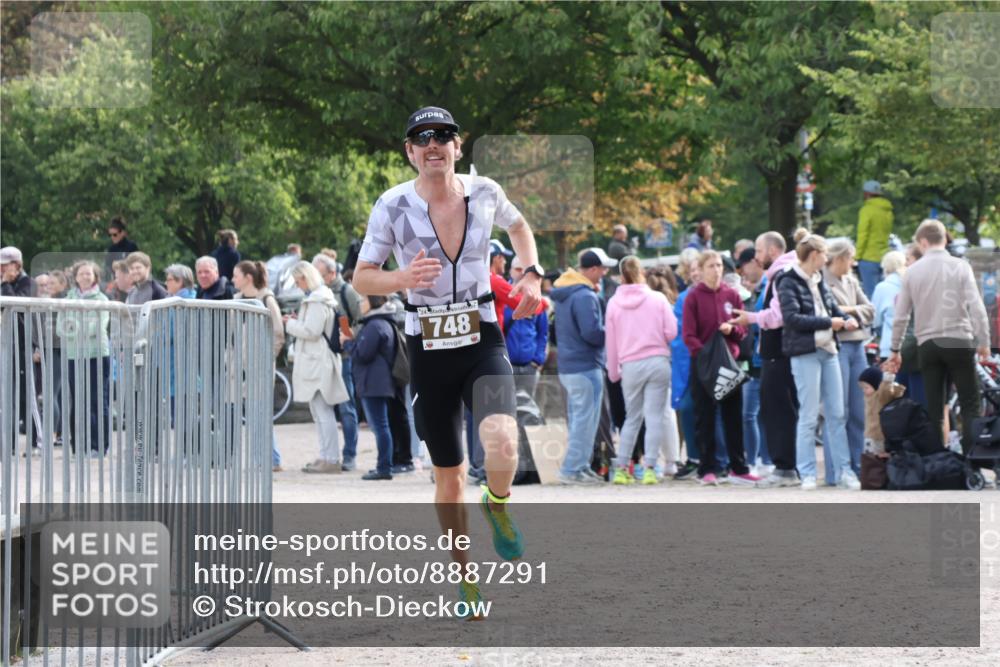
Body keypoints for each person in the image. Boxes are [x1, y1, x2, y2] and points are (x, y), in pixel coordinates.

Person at [351, 106, 542, 611]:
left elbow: (520, 228)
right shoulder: (391, 206)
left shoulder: (486, 192)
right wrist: (400, 280)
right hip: (428, 345)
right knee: (449, 474)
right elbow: (362, 276)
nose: (433, 144)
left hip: (483, 336)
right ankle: (465, 579)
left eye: (444, 136)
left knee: (503, 438)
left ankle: (497, 504)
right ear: (410, 151)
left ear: (459, 146)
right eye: (422, 137)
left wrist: (531, 272)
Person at [886, 219, 991, 453]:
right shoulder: (961, 266)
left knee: (934, 405)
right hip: (959, 341)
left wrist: (895, 350)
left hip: (928, 343)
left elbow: (901, 316)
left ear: (923, 242)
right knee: (970, 401)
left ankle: (936, 458)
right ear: (944, 239)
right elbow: (977, 307)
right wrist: (984, 342)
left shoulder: (912, 272)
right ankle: (973, 457)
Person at [777, 230, 861, 490]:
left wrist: (845, 319)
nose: (827, 258)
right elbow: (792, 319)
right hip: (805, 352)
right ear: (814, 255)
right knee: (809, 414)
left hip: (829, 350)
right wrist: (830, 322)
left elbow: (830, 306)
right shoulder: (788, 280)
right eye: (824, 253)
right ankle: (808, 472)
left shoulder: (817, 279)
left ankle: (844, 470)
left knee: (837, 413)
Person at [682, 250, 759, 486]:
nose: (716, 270)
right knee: (704, 416)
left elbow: (743, 331)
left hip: (728, 362)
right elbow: (688, 335)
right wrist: (704, 355)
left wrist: (732, 330)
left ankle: (738, 467)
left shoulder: (732, 295)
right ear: (701, 269)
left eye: (718, 266)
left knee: (732, 416)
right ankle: (707, 468)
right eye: (711, 266)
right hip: (703, 364)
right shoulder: (693, 297)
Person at [730, 231, 800, 487]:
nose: (756, 258)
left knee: (780, 411)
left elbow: (777, 316)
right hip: (779, 353)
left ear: (772, 251)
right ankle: (787, 466)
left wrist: (752, 318)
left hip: (779, 354)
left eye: (758, 252)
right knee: (780, 410)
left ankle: (785, 468)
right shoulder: (785, 274)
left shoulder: (782, 276)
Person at [605, 256, 678, 485]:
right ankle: (649, 468)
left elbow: (612, 342)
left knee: (631, 418)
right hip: (657, 360)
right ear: (642, 273)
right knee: (655, 417)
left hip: (630, 365)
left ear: (620, 275)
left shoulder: (613, 303)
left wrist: (613, 371)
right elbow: (672, 332)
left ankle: (622, 467)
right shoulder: (658, 299)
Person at [551, 248, 615, 484]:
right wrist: (613, 330)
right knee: (585, 421)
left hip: (569, 365)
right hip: (586, 365)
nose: (605, 273)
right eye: (603, 268)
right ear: (593, 269)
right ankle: (573, 469)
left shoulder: (566, 293)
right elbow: (592, 334)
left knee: (579, 418)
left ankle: (580, 466)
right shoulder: (585, 296)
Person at [283, 261, 349, 474]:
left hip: (317, 361)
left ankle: (330, 458)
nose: (297, 284)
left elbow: (311, 331)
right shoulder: (319, 298)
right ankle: (325, 456)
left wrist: (289, 325)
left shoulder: (318, 300)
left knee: (323, 410)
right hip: (316, 359)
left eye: (298, 280)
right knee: (319, 411)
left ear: (305, 277)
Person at [823, 238, 874, 476]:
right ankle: (836, 470)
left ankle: (856, 465)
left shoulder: (851, 281)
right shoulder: (822, 280)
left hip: (858, 346)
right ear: (841, 258)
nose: (853, 264)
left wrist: (849, 310)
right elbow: (829, 311)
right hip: (838, 346)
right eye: (851, 258)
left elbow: (870, 310)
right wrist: (852, 310)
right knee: (837, 411)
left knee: (858, 412)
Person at [233, 260, 285, 470]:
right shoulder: (235, 300)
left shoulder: (267, 299)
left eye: (236, 275)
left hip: (260, 365)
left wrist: (266, 358)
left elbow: (278, 334)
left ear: (248, 277)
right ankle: (264, 459)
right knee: (252, 414)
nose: (233, 279)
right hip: (240, 366)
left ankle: (271, 459)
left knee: (259, 413)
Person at [313, 252, 361, 471]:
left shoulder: (346, 291)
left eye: (320, 274)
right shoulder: (316, 293)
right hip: (324, 358)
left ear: (332, 273)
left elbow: (362, 319)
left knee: (346, 406)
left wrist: (349, 334)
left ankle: (349, 455)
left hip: (344, 357)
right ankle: (329, 455)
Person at [58, 260, 111, 454]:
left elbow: (98, 326)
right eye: (81, 274)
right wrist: (75, 330)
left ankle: (99, 445)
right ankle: (79, 446)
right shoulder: (67, 299)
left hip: (97, 354)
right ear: (75, 277)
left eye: (89, 274)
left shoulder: (103, 299)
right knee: (78, 400)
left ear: (95, 276)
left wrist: (75, 328)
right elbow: (60, 327)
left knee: (97, 400)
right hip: (74, 355)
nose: (85, 277)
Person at [350, 294, 400, 480]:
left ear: (373, 301)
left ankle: (384, 467)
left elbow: (363, 354)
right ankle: (384, 465)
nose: (360, 303)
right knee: (382, 425)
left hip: (374, 382)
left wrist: (347, 342)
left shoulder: (374, 325)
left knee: (380, 426)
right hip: (379, 382)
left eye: (363, 300)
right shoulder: (382, 322)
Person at [735, 246, 771, 475]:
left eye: (743, 266)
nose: (742, 272)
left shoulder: (766, 288)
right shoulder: (757, 290)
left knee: (757, 413)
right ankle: (757, 460)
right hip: (755, 360)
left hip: (762, 359)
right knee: (751, 414)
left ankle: (766, 461)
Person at [670, 251, 703, 479]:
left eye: (698, 269)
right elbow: (678, 334)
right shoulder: (684, 299)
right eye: (691, 272)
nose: (695, 275)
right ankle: (694, 457)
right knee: (689, 409)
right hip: (691, 361)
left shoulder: (724, 295)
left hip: (713, 360)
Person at [2, 246, 38, 436]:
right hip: (7, 345)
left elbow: (16, 306)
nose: (1, 270)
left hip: (24, 346)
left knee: (26, 393)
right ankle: (9, 441)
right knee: (7, 394)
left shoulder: (29, 283)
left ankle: (34, 437)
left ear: (16, 265)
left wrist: (6, 284)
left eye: (4, 266)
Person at [504, 256, 549, 400]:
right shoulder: (501, 294)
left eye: (525, 270)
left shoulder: (536, 298)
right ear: (510, 271)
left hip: (529, 366)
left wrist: (537, 360)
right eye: (518, 269)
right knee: (503, 411)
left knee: (525, 412)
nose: (523, 273)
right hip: (504, 366)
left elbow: (543, 332)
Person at [856, 180, 894, 298]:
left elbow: (863, 234)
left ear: (866, 193)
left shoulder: (866, 210)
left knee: (871, 295)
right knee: (885, 293)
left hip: (868, 257)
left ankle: (874, 317)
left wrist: (857, 256)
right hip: (884, 257)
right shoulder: (888, 211)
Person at [858, 365, 905, 457]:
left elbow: (885, 390)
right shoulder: (868, 397)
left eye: (866, 387)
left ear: (876, 386)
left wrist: (887, 379)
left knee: (877, 461)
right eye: (862, 388)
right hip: (870, 436)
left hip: (879, 436)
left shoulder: (880, 397)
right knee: (870, 460)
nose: (864, 390)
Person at [871, 251, 906, 361]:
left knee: (892, 378)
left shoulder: (882, 288)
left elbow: (875, 320)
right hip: (914, 345)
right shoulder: (912, 283)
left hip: (890, 346)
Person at [104, 216, 138, 284]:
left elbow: (136, 264)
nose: (112, 237)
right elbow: (107, 267)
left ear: (122, 233)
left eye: (115, 235)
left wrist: (120, 264)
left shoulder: (131, 246)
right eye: (110, 235)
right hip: (116, 281)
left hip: (130, 281)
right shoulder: (111, 249)